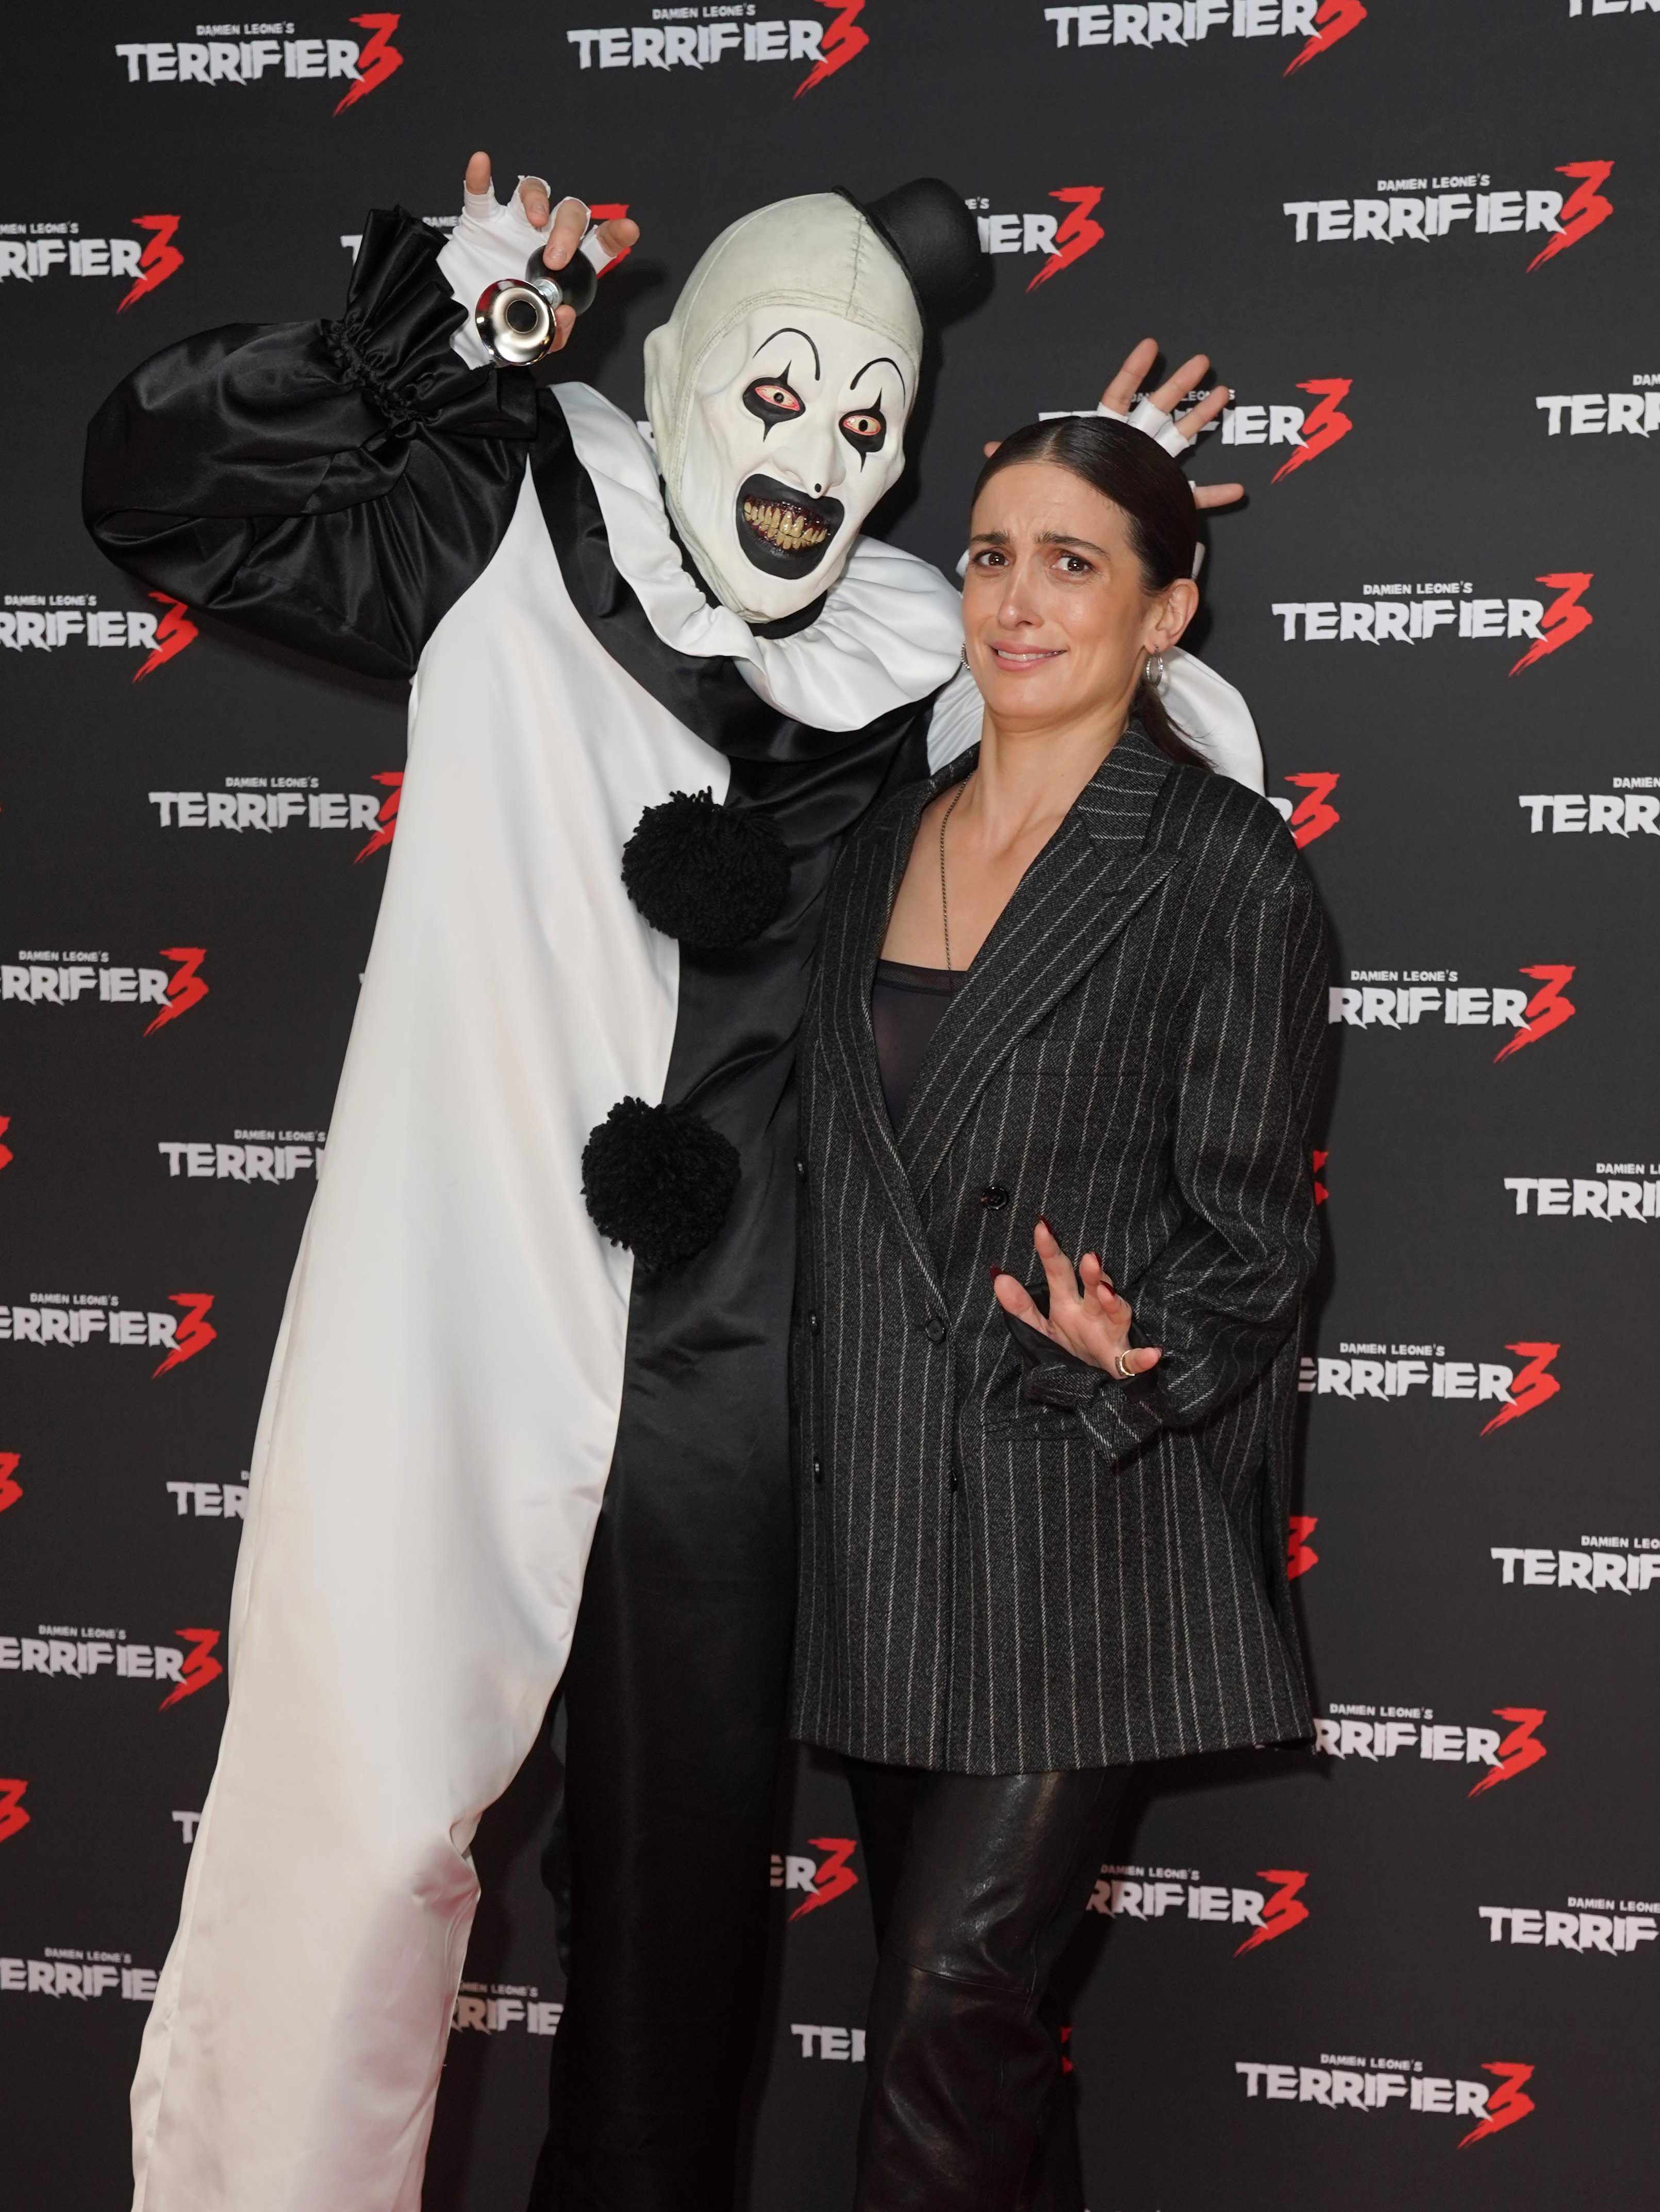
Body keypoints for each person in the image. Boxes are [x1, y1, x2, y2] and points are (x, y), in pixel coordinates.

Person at [84, 155, 1254, 2212]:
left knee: (677, 1925)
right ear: (682, 372)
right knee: (348, 1838)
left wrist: (1105, 518)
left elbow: (1138, 792)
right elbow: (168, 495)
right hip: (455, 1312)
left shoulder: (911, 661)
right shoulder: (509, 524)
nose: (818, 455)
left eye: (870, 421)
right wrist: (411, 332)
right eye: (778, 393)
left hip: (744, 1379)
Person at [790, 414, 1333, 2210]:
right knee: (971, 2032)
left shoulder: (1223, 867)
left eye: (1073, 561)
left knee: (945, 2008)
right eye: (990, 554)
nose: (1016, 599)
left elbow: (1257, 1243)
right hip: (881, 1526)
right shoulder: (873, 842)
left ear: (1165, 612)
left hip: (1082, 1524)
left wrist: (1137, 1349)